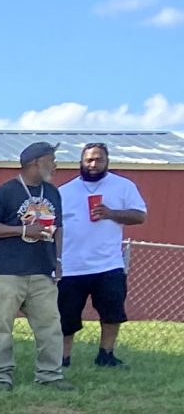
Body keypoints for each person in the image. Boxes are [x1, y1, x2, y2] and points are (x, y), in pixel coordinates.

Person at [0, 140, 66, 388]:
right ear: (35, 162)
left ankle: (50, 376)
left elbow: (58, 229)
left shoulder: (52, 192)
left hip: (42, 271)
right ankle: (1, 377)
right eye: (51, 160)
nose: (55, 165)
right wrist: (23, 229)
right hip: (7, 272)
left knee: (50, 326)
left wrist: (57, 259)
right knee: (1, 327)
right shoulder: (6, 192)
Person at [59, 140, 149, 368]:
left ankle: (106, 355)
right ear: (81, 161)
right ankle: (63, 358)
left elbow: (140, 216)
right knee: (66, 316)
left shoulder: (123, 186)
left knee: (112, 312)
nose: (93, 164)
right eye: (89, 159)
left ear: (107, 161)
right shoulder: (64, 191)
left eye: (99, 159)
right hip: (71, 265)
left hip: (108, 264)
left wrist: (111, 213)